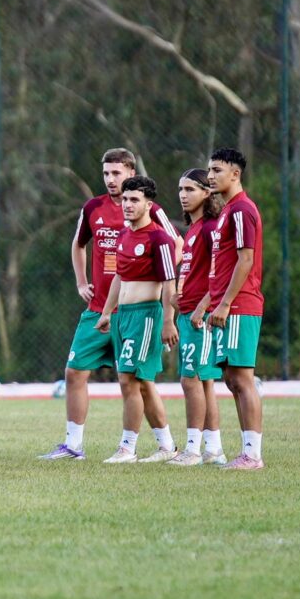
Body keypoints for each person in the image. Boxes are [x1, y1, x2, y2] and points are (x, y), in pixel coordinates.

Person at [39, 148, 180, 461]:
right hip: (100, 309)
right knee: (74, 371)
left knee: (140, 383)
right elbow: (78, 245)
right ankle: (73, 446)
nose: (110, 180)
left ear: (131, 173)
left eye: (116, 173)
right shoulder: (93, 208)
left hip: (138, 313)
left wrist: (156, 278)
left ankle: (164, 444)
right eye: (106, 173)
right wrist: (80, 282)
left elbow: (176, 246)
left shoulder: (149, 211)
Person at [94, 176, 179, 463]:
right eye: (126, 199)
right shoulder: (123, 235)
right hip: (123, 317)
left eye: (134, 200)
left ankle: (127, 448)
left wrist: (169, 319)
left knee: (128, 379)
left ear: (148, 204)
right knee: (142, 383)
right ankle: (166, 446)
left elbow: (169, 282)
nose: (127, 205)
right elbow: (119, 277)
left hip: (146, 317)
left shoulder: (159, 239)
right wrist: (107, 312)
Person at [203, 148, 265, 470]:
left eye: (216, 170)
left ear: (235, 174)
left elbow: (246, 259)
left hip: (240, 305)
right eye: (209, 170)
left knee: (242, 378)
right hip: (226, 305)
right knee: (230, 378)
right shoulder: (227, 211)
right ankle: (246, 452)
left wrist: (226, 303)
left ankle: (253, 455)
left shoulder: (241, 209)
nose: (210, 175)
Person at [167, 169, 226, 466]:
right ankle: (214, 449)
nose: (183, 194)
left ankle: (192, 449)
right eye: (180, 189)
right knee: (203, 382)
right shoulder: (193, 229)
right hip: (187, 313)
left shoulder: (210, 228)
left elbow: (220, 273)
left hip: (198, 317)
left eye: (190, 189)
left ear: (207, 193)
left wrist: (203, 305)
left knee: (190, 380)